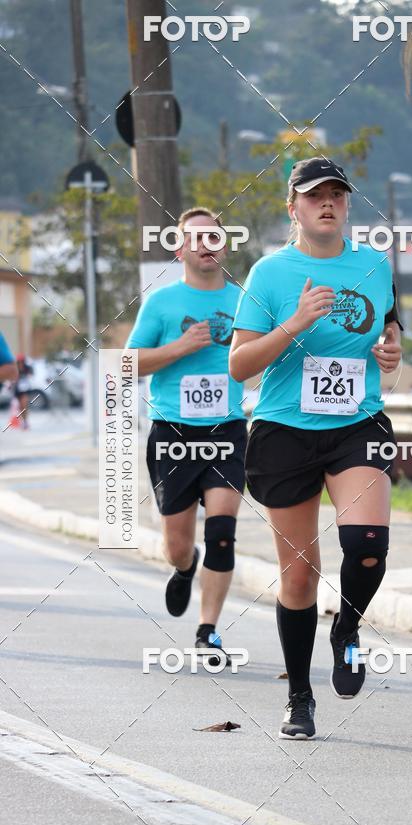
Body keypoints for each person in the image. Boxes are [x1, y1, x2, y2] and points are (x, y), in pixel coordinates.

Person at [230, 158, 402, 739]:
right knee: (300, 577)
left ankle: (347, 630)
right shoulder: (270, 273)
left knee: (368, 545)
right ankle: (299, 697)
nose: (326, 202)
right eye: (313, 195)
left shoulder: (373, 265)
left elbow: (388, 324)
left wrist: (391, 351)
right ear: (293, 207)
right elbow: (239, 366)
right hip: (284, 430)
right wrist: (295, 324)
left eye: (336, 194)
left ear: (347, 204)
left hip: (358, 423)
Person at [127, 207, 247, 660]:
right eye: (196, 239)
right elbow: (127, 364)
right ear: (180, 249)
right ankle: (184, 569)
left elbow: (275, 350)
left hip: (227, 429)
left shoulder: (244, 301)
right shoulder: (161, 303)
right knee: (177, 545)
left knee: (221, 531)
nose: (206, 245)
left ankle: (208, 629)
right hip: (173, 432)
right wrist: (179, 348)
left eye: (214, 238)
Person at [13, 354, 34, 429]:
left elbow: (31, 375)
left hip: (25, 390)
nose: (20, 363)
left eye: (22, 361)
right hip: (17, 390)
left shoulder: (27, 368)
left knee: (24, 405)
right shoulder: (15, 369)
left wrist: (28, 375)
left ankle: (26, 421)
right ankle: (24, 421)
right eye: (19, 362)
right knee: (20, 407)